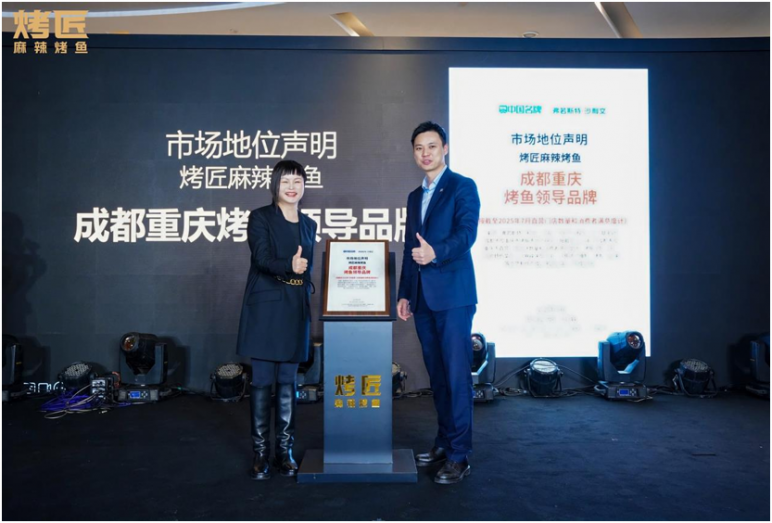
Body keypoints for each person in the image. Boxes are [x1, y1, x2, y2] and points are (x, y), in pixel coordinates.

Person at [397, 121, 480, 485]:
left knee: (457, 375)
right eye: (419, 148)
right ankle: (445, 442)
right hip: (423, 298)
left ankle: (460, 455)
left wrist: (436, 253)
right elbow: (409, 248)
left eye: (432, 146)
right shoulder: (414, 196)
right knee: (438, 375)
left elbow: (467, 234)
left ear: (444, 148)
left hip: (454, 297)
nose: (425, 153)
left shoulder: (463, 186)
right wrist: (404, 292)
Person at [236, 159, 317, 480]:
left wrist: (304, 282)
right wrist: (289, 266)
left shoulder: (309, 224)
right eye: (286, 181)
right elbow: (261, 258)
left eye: (298, 181)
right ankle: (260, 453)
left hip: (295, 307)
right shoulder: (260, 218)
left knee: (288, 381)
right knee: (262, 380)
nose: (292, 187)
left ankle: (285, 451)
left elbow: (308, 268)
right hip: (267, 307)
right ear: (275, 185)